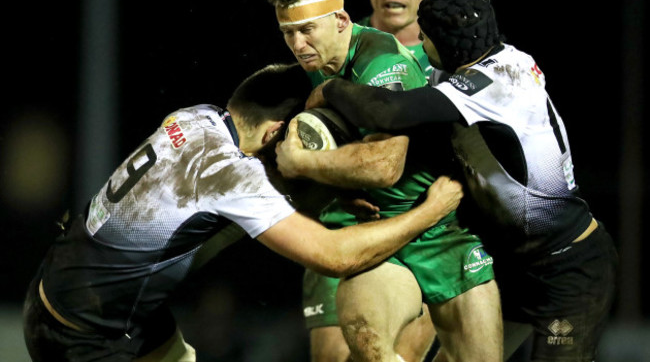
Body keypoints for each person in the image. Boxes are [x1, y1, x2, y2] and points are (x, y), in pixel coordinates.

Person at [21, 63, 465, 362]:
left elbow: (203, 197)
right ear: (277, 130)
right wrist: (429, 211)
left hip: (58, 289)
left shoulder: (194, 117)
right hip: (84, 337)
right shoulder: (232, 176)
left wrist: (325, 192)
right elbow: (335, 256)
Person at [305, 0, 619, 362]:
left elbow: (386, 110)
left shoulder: (495, 84)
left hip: (569, 268)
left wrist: (331, 88)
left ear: (446, 43)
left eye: (426, 36)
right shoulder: (491, 59)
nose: (419, 40)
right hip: (515, 262)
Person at [268, 0, 502, 362]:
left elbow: (383, 166)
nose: (298, 43)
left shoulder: (379, 58)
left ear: (341, 20)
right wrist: (331, 194)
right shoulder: (301, 73)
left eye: (307, 30)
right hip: (376, 232)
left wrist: (301, 163)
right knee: (366, 344)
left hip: (441, 231)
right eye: (289, 33)